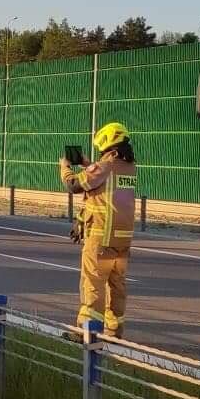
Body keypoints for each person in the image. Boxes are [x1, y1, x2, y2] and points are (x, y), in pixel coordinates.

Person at [59, 122, 138, 338]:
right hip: (122, 243)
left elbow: (74, 185)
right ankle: (114, 331)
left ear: (108, 146)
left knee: (93, 285)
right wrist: (87, 163)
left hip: (100, 239)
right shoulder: (129, 168)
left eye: (102, 151)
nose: (101, 155)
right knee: (117, 287)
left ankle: (87, 333)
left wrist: (65, 167)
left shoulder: (104, 167)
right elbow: (102, 180)